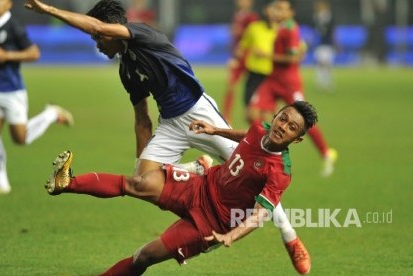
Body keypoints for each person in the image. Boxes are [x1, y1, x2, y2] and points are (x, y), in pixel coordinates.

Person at [24, 0, 310, 273]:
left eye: (99, 37)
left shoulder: (143, 34)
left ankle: (290, 237)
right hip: (171, 124)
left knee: (257, 163)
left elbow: (97, 28)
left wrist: (48, 9)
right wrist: (143, 167)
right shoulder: (126, 69)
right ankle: (195, 169)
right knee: (140, 182)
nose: (97, 44)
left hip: (199, 113)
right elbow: (142, 120)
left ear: (109, 28)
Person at [46, 101, 317, 275]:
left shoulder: (280, 172)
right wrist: (214, 131)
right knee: (139, 183)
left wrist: (231, 236)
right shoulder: (262, 128)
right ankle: (67, 182)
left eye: (291, 127)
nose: (282, 127)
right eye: (283, 118)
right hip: (200, 186)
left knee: (144, 257)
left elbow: (260, 215)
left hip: (212, 224)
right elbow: (247, 135)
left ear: (298, 139)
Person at [0, 0, 74, 196]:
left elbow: (34, 53)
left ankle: (50, 114)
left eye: (0, 0)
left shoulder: (14, 26)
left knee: (20, 138)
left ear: (9, 4)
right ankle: (1, 183)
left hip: (13, 91)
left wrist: (8, 56)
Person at [249, 0, 337, 177]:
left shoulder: (290, 29)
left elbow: (291, 59)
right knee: (253, 112)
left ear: (291, 12)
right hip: (273, 81)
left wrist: (266, 55)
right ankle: (258, 156)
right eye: (275, 7)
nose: (276, 11)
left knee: (304, 119)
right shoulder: (282, 26)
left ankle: (327, 153)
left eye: (281, 8)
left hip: (289, 83)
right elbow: (298, 49)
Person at [235, 0, 278, 123]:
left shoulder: (280, 30)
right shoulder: (254, 28)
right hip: (253, 74)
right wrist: (238, 54)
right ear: (265, 10)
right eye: (271, 9)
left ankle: (266, 138)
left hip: (270, 75)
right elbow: (243, 45)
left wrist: (267, 54)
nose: (273, 12)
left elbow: (296, 48)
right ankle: (261, 137)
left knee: (265, 113)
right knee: (249, 114)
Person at [222, 0, 258, 123]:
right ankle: (226, 117)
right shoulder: (237, 15)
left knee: (255, 88)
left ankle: (257, 113)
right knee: (230, 85)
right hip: (237, 56)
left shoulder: (252, 17)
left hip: (247, 56)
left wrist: (239, 33)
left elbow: (252, 36)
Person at [313, 0, 335, 91]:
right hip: (319, 44)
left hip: (327, 44)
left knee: (327, 64)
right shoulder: (316, 17)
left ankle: (328, 83)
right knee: (320, 63)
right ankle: (320, 82)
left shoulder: (329, 18)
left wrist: (335, 42)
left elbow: (332, 31)